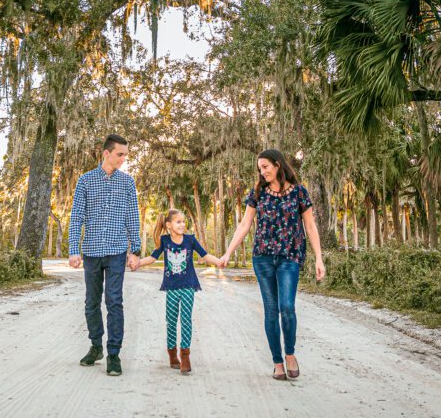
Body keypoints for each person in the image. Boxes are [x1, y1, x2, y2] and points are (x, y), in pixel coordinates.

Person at [219, 149, 326, 381]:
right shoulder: (258, 192)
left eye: (265, 166)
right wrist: (228, 252)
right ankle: (277, 362)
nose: (262, 171)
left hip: (290, 257)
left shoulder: (299, 192)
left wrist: (319, 258)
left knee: (287, 307)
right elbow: (245, 224)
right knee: (270, 309)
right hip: (263, 257)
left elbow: (310, 227)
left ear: (278, 165)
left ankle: (290, 354)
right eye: (260, 168)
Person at [68, 134, 142, 377]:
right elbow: (77, 216)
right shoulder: (86, 181)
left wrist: (136, 251)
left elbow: (133, 217)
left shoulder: (127, 182)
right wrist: (73, 249)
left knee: (114, 301)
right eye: (120, 154)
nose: (123, 159)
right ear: (106, 154)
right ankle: (96, 346)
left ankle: (113, 354)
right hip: (91, 251)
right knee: (91, 302)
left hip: (117, 251)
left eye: (125, 155)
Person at [138, 209, 222, 375]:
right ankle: (172, 353)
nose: (182, 224)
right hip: (171, 287)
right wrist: (137, 263)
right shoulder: (165, 241)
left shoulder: (190, 240)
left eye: (183, 221)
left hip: (188, 286)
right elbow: (153, 258)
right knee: (171, 321)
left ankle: (185, 355)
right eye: (178, 222)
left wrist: (219, 261)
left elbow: (205, 255)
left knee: (186, 320)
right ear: (169, 225)